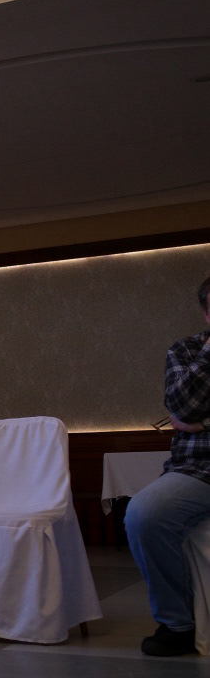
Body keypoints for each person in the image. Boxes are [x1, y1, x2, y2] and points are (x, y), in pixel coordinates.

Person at [124, 275, 210, 657]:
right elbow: (181, 408)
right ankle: (178, 623)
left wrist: (204, 422)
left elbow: (192, 418)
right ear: (206, 314)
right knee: (143, 514)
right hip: (199, 468)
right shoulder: (186, 351)